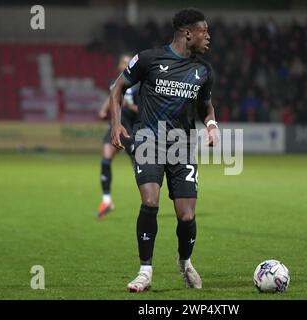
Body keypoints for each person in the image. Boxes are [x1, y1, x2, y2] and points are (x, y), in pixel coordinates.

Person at [109, 8, 219, 292]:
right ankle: (145, 271)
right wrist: (117, 125)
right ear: (187, 33)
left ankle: (185, 262)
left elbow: (206, 105)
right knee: (150, 201)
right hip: (149, 141)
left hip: (182, 146)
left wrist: (212, 125)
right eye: (203, 31)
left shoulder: (203, 71)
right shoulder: (149, 59)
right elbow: (117, 88)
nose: (208, 36)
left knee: (186, 215)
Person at [97, 54, 139, 218]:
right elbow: (111, 98)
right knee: (105, 159)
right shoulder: (115, 83)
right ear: (118, 66)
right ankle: (106, 200)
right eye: (122, 62)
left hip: (132, 131)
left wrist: (131, 106)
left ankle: (149, 201)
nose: (125, 65)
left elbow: (145, 110)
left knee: (139, 168)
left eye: (128, 62)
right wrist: (103, 110)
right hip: (115, 128)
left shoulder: (139, 85)